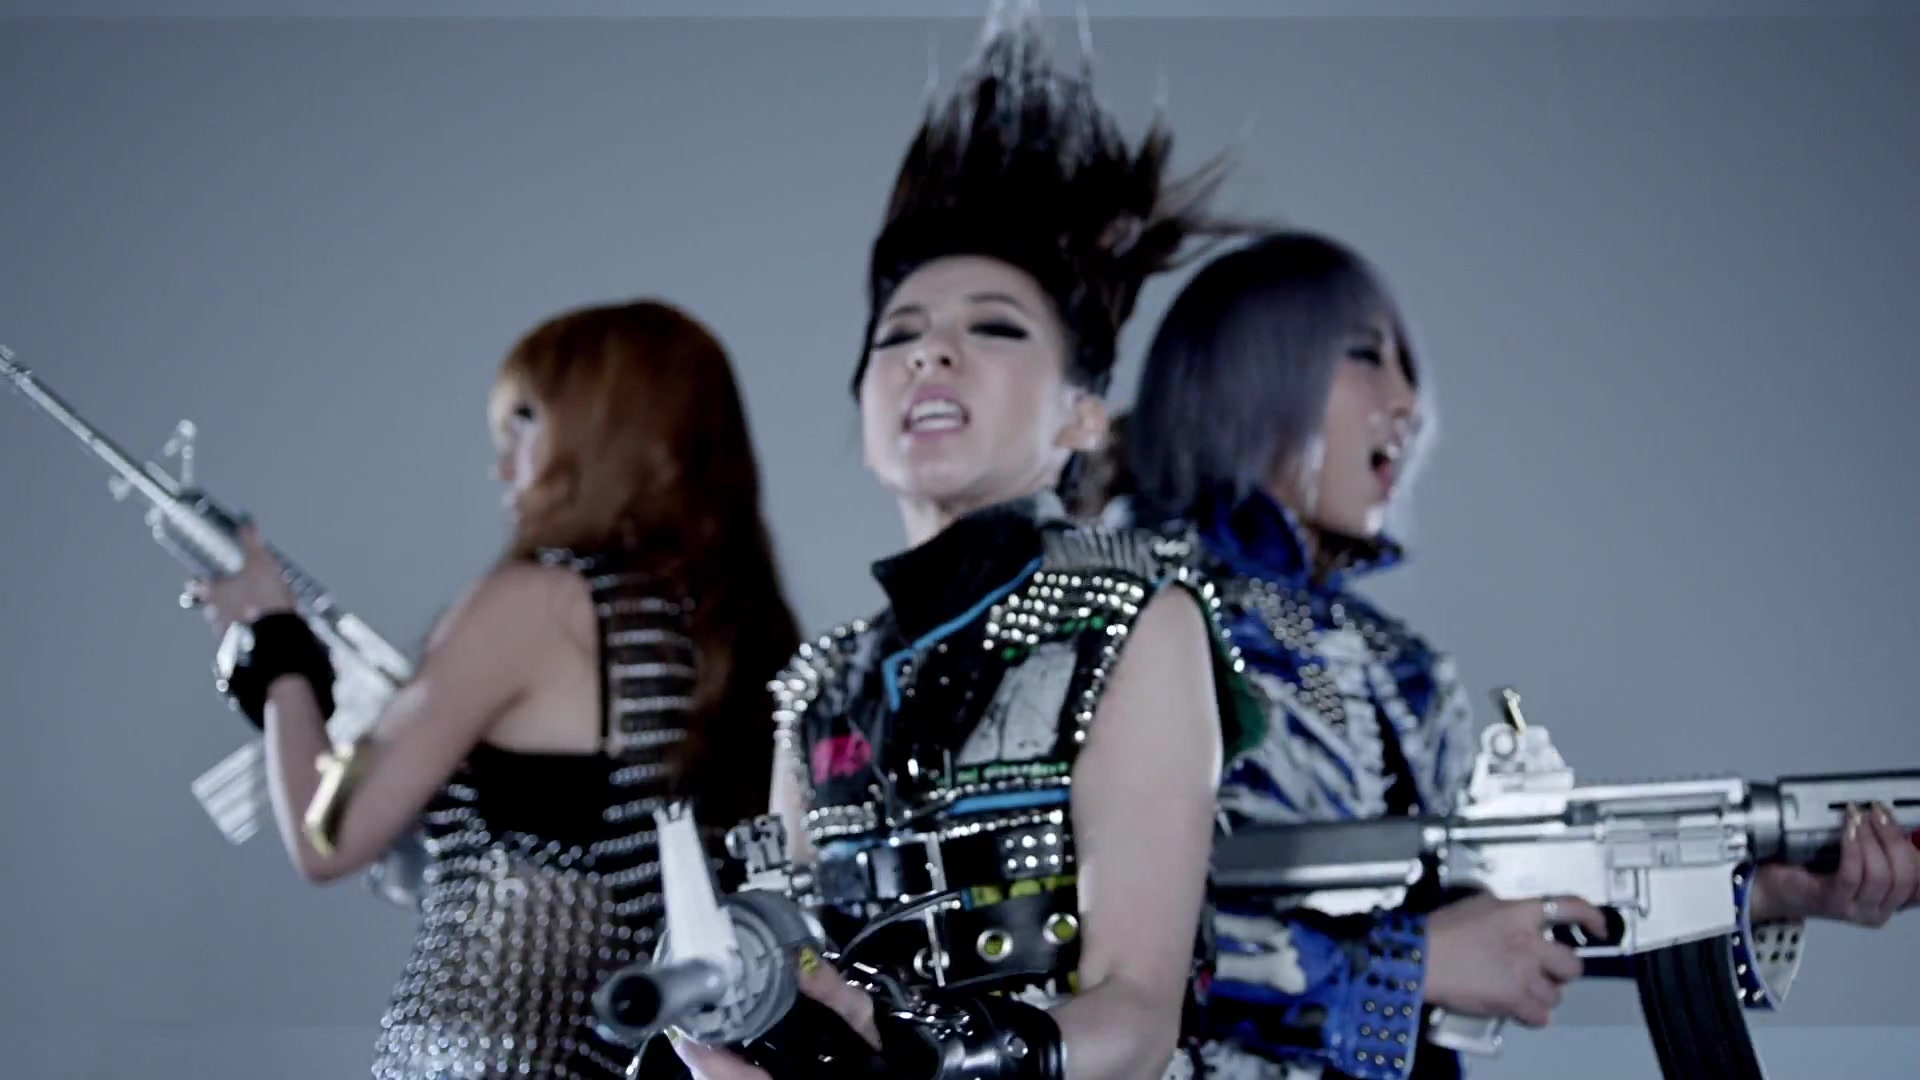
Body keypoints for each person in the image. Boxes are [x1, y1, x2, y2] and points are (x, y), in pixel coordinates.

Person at [1100, 229, 1920, 1079]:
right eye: (1365, 356)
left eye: (1409, 369)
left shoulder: (1399, 664)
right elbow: (1092, 928)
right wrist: (1408, 965)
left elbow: (1506, 909)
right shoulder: (1135, 611)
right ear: (1245, 372)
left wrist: (1773, 893)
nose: (1409, 403)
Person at [668, 5, 1261, 1079]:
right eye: (898, 335)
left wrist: (943, 1062)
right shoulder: (820, 686)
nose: (930, 352)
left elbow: (1136, 1019)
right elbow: (797, 976)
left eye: (992, 327)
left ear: (1083, 416)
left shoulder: (1135, 618)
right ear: (864, 417)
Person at [186, 299, 802, 1079]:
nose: (502, 466)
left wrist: (274, 645)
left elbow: (327, 832)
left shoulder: (535, 605)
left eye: (525, 425)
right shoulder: (729, 631)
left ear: (603, 434)